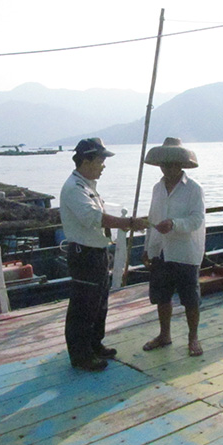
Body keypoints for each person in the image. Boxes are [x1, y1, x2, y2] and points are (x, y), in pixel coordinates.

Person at [60, 137, 149, 371]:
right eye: (100, 160)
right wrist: (128, 223)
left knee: (99, 302)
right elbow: (94, 218)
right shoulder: (74, 188)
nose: (103, 165)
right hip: (84, 254)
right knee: (83, 305)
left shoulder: (87, 186)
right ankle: (80, 355)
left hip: (97, 251)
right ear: (86, 160)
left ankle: (94, 344)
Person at [141, 137, 206, 357]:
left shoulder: (194, 189)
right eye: (164, 164)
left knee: (190, 298)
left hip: (185, 251)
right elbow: (152, 218)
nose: (167, 168)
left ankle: (193, 337)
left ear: (181, 165)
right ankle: (164, 334)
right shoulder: (157, 189)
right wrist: (147, 247)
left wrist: (174, 224)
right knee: (162, 296)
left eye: (172, 164)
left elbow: (197, 219)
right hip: (161, 250)